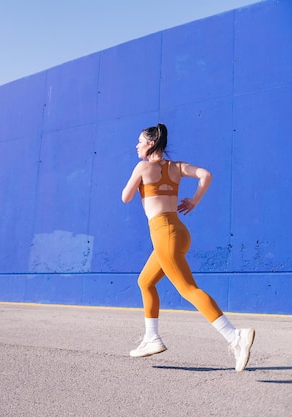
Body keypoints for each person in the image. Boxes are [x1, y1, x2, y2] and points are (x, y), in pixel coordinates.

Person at [121, 123, 255, 372]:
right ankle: (152, 338)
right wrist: (193, 200)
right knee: (145, 282)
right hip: (179, 232)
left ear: (151, 143)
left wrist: (140, 180)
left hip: (163, 234)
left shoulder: (142, 166)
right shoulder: (176, 167)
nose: (136, 145)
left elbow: (125, 197)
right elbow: (206, 174)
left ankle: (235, 336)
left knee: (188, 289)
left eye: (140, 141)